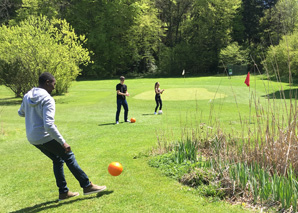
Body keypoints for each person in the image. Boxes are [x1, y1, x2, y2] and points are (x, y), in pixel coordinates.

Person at [18, 72, 106, 201]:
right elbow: (48, 125)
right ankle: (87, 186)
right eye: (54, 83)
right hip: (44, 136)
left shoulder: (27, 96)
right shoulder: (47, 99)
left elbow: (21, 113)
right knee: (68, 156)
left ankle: (64, 193)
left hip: (32, 138)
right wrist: (63, 142)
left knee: (58, 160)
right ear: (47, 82)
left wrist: (33, 114)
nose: (54, 87)